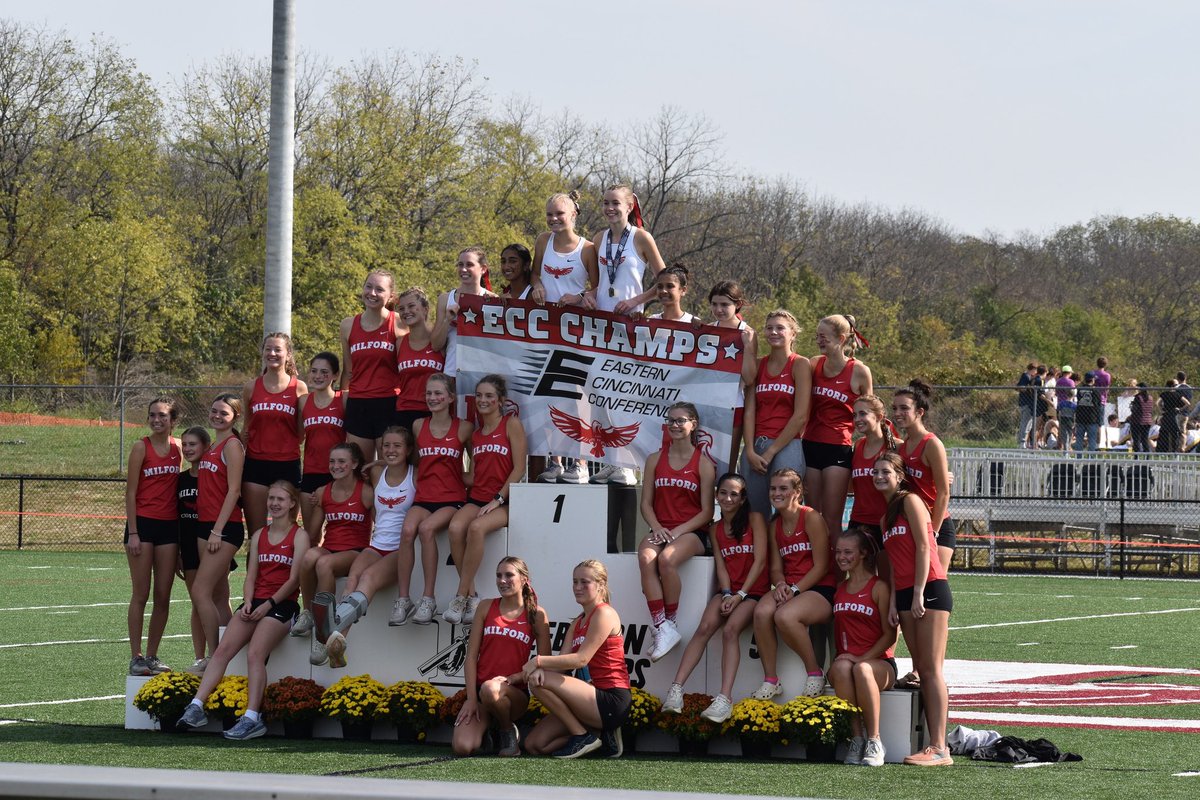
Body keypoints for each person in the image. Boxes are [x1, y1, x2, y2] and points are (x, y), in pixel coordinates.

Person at [178, 481, 309, 740]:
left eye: (280, 499)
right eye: (271, 498)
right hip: (256, 602)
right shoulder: (260, 534)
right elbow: (251, 576)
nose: (274, 503)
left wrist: (268, 605)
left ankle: (252, 718)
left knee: (255, 654)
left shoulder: (300, 536)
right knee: (221, 651)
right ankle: (196, 706)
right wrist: (248, 601)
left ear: (292, 503)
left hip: (283, 605)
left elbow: (294, 581)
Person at [660, 473, 768, 723]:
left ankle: (724, 699)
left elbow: (761, 560)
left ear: (743, 498)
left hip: (754, 592)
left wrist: (740, 595)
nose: (727, 498)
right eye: (723, 493)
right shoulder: (715, 528)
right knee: (705, 627)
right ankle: (676, 690)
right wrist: (728, 593)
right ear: (716, 495)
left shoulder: (755, 519)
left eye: (734, 494)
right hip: (730, 592)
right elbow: (721, 565)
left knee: (730, 630)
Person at [874, 451, 953, 766]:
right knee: (921, 668)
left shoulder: (911, 501)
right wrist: (895, 599)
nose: (879, 477)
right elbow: (895, 563)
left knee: (932, 670)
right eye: (875, 472)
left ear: (899, 475)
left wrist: (919, 591)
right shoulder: (885, 517)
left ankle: (940, 748)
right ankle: (929, 744)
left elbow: (924, 546)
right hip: (906, 594)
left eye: (885, 472)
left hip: (929, 589)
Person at [588, 184, 667, 486]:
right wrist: (589, 296)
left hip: (630, 328)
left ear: (630, 205)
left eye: (616, 203)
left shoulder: (641, 238)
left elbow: (665, 280)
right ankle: (610, 460)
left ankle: (629, 465)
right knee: (599, 394)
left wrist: (637, 301)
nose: (610, 208)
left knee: (623, 395)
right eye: (605, 203)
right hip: (600, 328)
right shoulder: (598, 239)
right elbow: (595, 282)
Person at [324, 426, 416, 667]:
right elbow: (356, 475)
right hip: (377, 544)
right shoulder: (376, 473)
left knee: (367, 578)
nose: (391, 450)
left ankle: (336, 629)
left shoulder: (415, 474)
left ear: (408, 450)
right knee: (353, 576)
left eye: (397, 446)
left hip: (400, 549)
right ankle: (338, 640)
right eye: (386, 445)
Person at [522, 560, 631, 759]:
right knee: (535, 745)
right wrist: (531, 672)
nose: (578, 587)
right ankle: (599, 735)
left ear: (601, 585)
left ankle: (582, 736)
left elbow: (581, 659)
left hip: (611, 700)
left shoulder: (604, 613)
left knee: (538, 681)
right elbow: (562, 666)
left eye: (584, 582)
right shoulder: (578, 621)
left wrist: (538, 662)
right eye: (574, 582)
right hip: (588, 699)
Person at [444, 375, 527, 624]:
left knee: (476, 528)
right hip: (478, 498)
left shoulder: (511, 424)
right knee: (455, 527)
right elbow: (475, 475)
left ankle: (460, 595)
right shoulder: (477, 435)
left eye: (489, 396)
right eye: (479, 395)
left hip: (505, 501)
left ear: (500, 400)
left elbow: (519, 469)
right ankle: (471, 595)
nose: (483, 400)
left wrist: (498, 499)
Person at [530, 191, 598, 486]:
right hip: (545, 330)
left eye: (560, 213)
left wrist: (580, 296)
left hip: (576, 332)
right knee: (547, 392)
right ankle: (555, 459)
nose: (554, 219)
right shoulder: (543, 241)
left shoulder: (588, 249)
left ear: (573, 215)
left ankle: (581, 462)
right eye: (550, 214)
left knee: (576, 396)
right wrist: (537, 288)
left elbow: (598, 289)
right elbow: (535, 275)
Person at [638, 401, 716, 662]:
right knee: (646, 557)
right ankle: (663, 627)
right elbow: (646, 504)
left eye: (681, 420)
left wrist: (677, 531)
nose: (675, 425)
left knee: (666, 560)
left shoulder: (703, 464)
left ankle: (669, 622)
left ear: (693, 424)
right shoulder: (654, 459)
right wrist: (659, 528)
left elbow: (707, 512)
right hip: (660, 529)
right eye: (671, 420)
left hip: (692, 532)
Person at [453, 557, 552, 757]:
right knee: (463, 747)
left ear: (524, 579)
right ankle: (491, 730)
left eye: (509, 575)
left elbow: (543, 664)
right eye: (499, 575)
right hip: (482, 694)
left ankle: (507, 730)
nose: (502, 580)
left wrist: (514, 678)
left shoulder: (537, 615)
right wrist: (471, 699)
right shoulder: (485, 606)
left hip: (514, 694)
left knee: (492, 688)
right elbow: (471, 657)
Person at [393, 373, 472, 625]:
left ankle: (428, 598)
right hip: (424, 497)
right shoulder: (418, 425)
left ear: (450, 398)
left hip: (452, 498)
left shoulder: (464, 427)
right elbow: (415, 462)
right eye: (429, 393)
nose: (433, 398)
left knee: (426, 530)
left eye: (438, 393)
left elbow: (477, 469)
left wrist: (461, 480)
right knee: (407, 530)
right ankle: (404, 600)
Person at [751, 468, 834, 701]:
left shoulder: (811, 517)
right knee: (761, 612)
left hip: (818, 588)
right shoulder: (774, 525)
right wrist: (779, 585)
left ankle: (814, 672)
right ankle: (770, 680)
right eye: (773, 488)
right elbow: (776, 567)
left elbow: (821, 566)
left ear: (797, 492)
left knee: (784, 617)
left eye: (783, 488)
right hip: (790, 586)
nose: (776, 493)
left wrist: (795, 590)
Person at [293, 442, 374, 668]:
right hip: (330, 546)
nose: (335, 466)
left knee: (324, 564)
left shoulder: (366, 492)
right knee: (309, 556)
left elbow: (380, 524)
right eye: (332, 461)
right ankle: (308, 612)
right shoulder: (323, 491)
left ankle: (323, 632)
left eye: (341, 461)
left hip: (355, 551)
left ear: (354, 464)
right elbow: (313, 533)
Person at [829, 528, 897, 767]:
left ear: (863, 554)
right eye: (838, 552)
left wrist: (862, 658)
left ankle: (875, 740)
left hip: (880, 663)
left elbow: (890, 635)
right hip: (848, 662)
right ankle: (856, 738)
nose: (841, 557)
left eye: (848, 552)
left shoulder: (879, 587)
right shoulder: (839, 589)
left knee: (862, 670)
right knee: (839, 668)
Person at [124, 398, 182, 676]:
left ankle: (152, 655)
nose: (156, 420)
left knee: (163, 595)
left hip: (170, 527)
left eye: (162, 415)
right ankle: (135, 657)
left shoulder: (180, 447)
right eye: (152, 415)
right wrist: (133, 532)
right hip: (143, 526)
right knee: (141, 593)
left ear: (173, 420)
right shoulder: (140, 447)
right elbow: (131, 493)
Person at [190, 393, 246, 674]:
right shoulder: (213, 446)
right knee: (218, 595)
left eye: (223, 413)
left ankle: (215, 657)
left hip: (223, 529)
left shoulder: (233, 446)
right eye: (213, 411)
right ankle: (229, 656)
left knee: (200, 591)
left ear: (235, 417)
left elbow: (234, 491)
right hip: (206, 526)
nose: (216, 416)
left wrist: (217, 530)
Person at [804, 314, 873, 537]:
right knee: (813, 516)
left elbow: (871, 412)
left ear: (841, 338)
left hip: (838, 447)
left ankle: (836, 571)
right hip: (810, 444)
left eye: (823, 336)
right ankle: (816, 569)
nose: (819, 340)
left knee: (832, 519)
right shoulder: (814, 364)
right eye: (817, 336)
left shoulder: (859, 371)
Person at [741, 310, 811, 516]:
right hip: (756, 446)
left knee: (787, 508)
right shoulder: (759, 364)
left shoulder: (799, 364)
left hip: (786, 444)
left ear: (793, 334)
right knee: (755, 510)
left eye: (780, 328)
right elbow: (749, 410)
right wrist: (750, 451)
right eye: (769, 328)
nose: (774, 332)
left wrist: (771, 452)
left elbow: (801, 415)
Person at [241, 333, 307, 533]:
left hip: (287, 464)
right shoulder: (251, 387)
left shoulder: (299, 388)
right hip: (256, 465)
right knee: (256, 533)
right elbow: (246, 428)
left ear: (288, 355)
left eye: (278, 349)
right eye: (268, 349)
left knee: (286, 530)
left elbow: (302, 433)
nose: (272, 353)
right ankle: (256, 566)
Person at [177, 426, 229, 670]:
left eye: (193, 444)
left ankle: (224, 652)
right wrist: (178, 550)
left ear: (206, 447)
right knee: (198, 600)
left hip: (213, 539)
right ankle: (200, 658)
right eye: (184, 444)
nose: (188, 449)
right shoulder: (181, 479)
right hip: (189, 542)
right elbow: (175, 514)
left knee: (219, 596)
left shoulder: (215, 474)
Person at [339, 269, 403, 463]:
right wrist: (344, 405)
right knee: (361, 469)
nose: (372, 293)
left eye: (379, 289)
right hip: (359, 405)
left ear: (391, 295)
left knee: (388, 467)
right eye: (369, 286)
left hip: (390, 403)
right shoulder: (348, 325)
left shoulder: (399, 322)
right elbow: (348, 370)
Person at [892, 380, 954, 573]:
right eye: (894, 408)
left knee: (935, 586)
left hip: (936, 524)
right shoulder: (902, 446)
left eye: (904, 408)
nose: (897, 413)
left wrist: (933, 532)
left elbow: (943, 493)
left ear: (919, 412)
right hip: (911, 523)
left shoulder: (931, 444)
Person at [708, 280, 758, 470]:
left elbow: (750, 378)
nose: (719, 309)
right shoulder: (707, 329)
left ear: (737, 305)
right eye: (714, 304)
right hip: (706, 405)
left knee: (725, 465)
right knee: (704, 463)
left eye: (725, 304)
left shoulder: (747, 332)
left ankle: (725, 500)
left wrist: (746, 347)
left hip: (732, 406)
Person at [431, 247, 498, 388]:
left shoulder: (493, 300)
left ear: (483, 269)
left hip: (482, 376)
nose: (463, 269)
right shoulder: (445, 299)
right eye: (460, 265)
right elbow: (436, 345)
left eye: (469, 265)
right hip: (452, 373)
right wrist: (447, 320)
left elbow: (497, 347)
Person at [298, 352, 346, 525]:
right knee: (311, 534)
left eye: (324, 372)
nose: (318, 376)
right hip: (312, 472)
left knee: (338, 530)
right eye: (314, 371)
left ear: (335, 375)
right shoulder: (303, 401)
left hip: (338, 473)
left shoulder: (344, 399)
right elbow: (298, 435)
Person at [848, 395, 900, 546]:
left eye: (863, 413)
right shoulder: (857, 445)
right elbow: (853, 485)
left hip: (887, 522)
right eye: (854, 415)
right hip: (859, 522)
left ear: (879, 416)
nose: (857, 419)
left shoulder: (896, 447)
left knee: (886, 570)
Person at [393, 287, 444, 435]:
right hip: (404, 412)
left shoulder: (440, 341)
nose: (406, 311)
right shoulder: (399, 343)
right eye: (401, 308)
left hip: (434, 412)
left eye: (411, 306)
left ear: (425, 309)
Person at [1074, 371, 1103, 452]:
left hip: (1080, 417)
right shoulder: (1096, 391)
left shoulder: (1079, 390)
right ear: (1093, 380)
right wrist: (1099, 421)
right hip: (1092, 418)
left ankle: (1078, 459)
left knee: (1079, 439)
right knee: (1092, 440)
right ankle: (1091, 460)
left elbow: (1078, 400)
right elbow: (1098, 407)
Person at [1016, 362, 1038, 448]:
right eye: (1035, 370)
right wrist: (1029, 389)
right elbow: (1020, 387)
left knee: (1029, 424)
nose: (1035, 372)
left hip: (1029, 403)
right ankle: (1022, 442)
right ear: (1032, 369)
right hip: (1025, 403)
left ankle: (1023, 441)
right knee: (1025, 423)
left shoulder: (1030, 377)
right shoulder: (1026, 376)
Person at [1055, 366, 1077, 452]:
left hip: (1060, 405)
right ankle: (1068, 446)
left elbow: (1056, 392)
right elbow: (1073, 393)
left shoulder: (1058, 381)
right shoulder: (1071, 382)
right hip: (1070, 406)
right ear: (1069, 373)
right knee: (1070, 428)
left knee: (1061, 427)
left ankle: (1060, 445)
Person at [1128, 383, 1154, 454]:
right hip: (1147, 421)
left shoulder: (1138, 397)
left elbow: (1134, 409)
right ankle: (1147, 456)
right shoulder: (1150, 397)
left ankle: (1136, 457)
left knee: (1136, 440)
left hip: (1137, 421)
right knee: (1144, 439)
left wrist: (1131, 406)